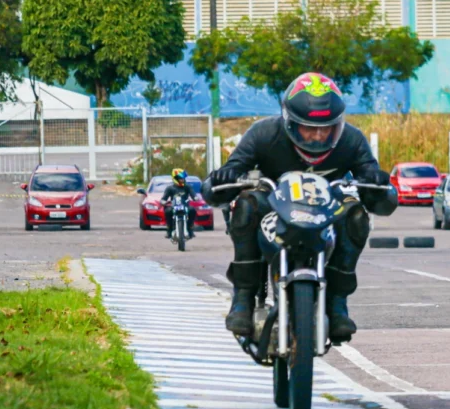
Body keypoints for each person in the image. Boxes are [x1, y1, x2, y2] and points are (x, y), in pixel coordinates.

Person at [202, 72, 398, 341]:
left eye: (326, 128)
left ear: (338, 124)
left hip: (328, 212)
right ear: (290, 122)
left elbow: (377, 190)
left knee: (355, 214)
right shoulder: (263, 133)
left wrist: (374, 180)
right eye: (309, 127)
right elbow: (232, 171)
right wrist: (226, 177)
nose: (318, 136)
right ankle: (243, 299)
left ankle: (338, 304)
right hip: (274, 209)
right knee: (246, 204)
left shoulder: (352, 139)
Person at [161, 168, 197, 239]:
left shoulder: (187, 187)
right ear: (175, 178)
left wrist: (195, 197)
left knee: (192, 210)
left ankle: (190, 229)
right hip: (174, 207)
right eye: (180, 178)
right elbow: (164, 198)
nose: (182, 179)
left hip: (185, 206)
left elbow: (193, 194)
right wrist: (163, 201)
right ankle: (169, 230)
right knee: (167, 211)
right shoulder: (170, 188)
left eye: (183, 178)